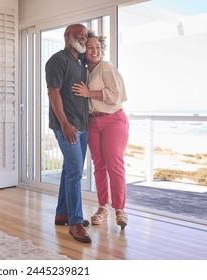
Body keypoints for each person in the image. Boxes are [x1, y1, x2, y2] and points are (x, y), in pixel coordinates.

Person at [73, 31, 129, 229]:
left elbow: (115, 95)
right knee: (99, 166)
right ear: (83, 50)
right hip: (93, 123)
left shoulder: (106, 67)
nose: (95, 51)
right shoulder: (83, 70)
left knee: (114, 164)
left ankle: (120, 210)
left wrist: (89, 93)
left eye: (98, 47)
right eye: (90, 47)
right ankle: (103, 208)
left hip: (113, 120)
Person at [45, 23, 91, 243]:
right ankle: (75, 223)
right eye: (79, 35)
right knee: (74, 173)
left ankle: (62, 213)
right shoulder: (57, 60)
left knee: (69, 170)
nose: (83, 38)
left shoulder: (81, 62)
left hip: (82, 126)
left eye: (85, 35)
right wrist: (64, 123)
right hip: (67, 127)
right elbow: (53, 92)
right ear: (67, 36)